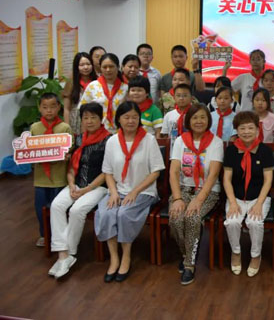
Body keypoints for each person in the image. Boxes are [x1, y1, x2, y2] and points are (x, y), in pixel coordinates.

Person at [95, 101, 164, 283]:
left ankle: (126, 256)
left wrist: (135, 191)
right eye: (126, 117)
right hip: (118, 190)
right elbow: (108, 172)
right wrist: (113, 192)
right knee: (107, 213)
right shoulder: (112, 141)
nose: (131, 121)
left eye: (135, 117)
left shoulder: (148, 140)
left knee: (124, 213)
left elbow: (156, 172)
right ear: (119, 119)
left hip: (144, 191)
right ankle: (114, 258)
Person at [48, 103, 109, 278]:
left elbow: (107, 172)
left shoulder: (108, 140)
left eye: (93, 117)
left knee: (77, 210)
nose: (89, 121)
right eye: (85, 118)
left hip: (98, 187)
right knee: (56, 206)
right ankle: (63, 255)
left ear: (101, 119)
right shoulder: (78, 139)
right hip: (76, 184)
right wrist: (72, 184)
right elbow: (71, 167)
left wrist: (86, 189)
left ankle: (70, 253)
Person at [168, 104, 223, 285]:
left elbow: (213, 175)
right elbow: (174, 172)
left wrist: (198, 200)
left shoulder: (216, 142)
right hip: (183, 188)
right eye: (195, 118)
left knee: (192, 218)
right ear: (188, 121)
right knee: (176, 218)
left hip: (208, 191)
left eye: (203, 117)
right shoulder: (180, 141)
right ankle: (187, 253)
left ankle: (189, 265)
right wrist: (177, 198)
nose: (199, 121)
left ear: (208, 120)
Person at [223, 111, 274, 277]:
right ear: (237, 131)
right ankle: (236, 252)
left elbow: (268, 180)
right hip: (236, 197)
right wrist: (232, 202)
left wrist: (259, 204)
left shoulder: (265, 151)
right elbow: (226, 179)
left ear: (257, 130)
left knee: (254, 222)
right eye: (242, 128)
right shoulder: (231, 151)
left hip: (259, 197)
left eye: (250, 128)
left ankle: (255, 255)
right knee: (232, 222)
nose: (246, 132)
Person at [31, 93, 72, 247]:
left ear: (59, 107)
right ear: (39, 108)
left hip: (59, 177)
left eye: (53, 107)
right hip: (40, 178)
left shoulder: (64, 128)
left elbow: (70, 148)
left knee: (59, 209)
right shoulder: (35, 128)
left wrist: (67, 155)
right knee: (40, 208)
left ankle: (59, 235)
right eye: (45, 107)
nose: (49, 110)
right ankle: (44, 234)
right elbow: (29, 148)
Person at [80, 53, 129, 134]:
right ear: (100, 68)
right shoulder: (93, 86)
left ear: (118, 67)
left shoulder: (126, 88)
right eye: (104, 67)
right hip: (97, 132)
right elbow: (83, 112)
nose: (108, 70)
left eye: (111, 66)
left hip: (120, 132)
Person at [62, 52, 96, 135]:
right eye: (82, 65)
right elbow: (66, 109)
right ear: (76, 67)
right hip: (75, 122)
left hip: (93, 120)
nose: (86, 67)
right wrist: (67, 127)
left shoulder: (97, 82)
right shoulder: (71, 82)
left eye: (88, 64)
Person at [160, 83, 193, 150]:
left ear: (191, 98)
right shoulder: (169, 115)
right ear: (174, 98)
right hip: (173, 149)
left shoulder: (194, 114)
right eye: (178, 95)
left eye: (185, 95)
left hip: (190, 149)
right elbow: (165, 135)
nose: (181, 98)